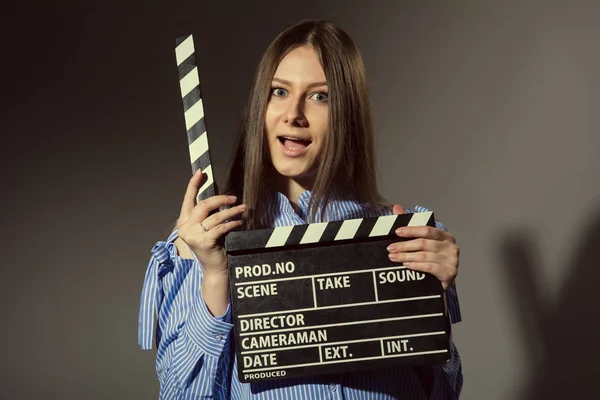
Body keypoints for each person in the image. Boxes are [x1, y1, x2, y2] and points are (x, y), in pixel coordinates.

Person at [138, 19, 462, 399]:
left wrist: (428, 305)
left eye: (319, 96)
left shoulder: (400, 234)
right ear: (262, 105)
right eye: (279, 91)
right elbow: (181, 395)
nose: (294, 113)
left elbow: (442, 394)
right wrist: (214, 276)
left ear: (348, 114)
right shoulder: (206, 237)